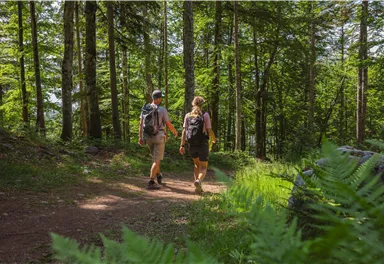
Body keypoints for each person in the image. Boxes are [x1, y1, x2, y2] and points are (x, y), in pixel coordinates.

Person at [139, 90, 178, 189]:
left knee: (155, 159)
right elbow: (168, 124)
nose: (161, 99)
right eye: (161, 98)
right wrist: (175, 132)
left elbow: (140, 124)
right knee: (156, 160)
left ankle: (159, 175)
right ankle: (151, 181)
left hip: (148, 137)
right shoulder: (162, 109)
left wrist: (140, 137)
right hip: (159, 136)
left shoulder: (145, 108)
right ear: (158, 98)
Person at [179, 96, 216, 193]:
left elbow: (184, 131)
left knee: (196, 164)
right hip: (202, 144)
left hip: (191, 144)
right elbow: (209, 130)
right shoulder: (205, 115)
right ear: (202, 104)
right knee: (203, 167)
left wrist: (182, 145)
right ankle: (198, 181)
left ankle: (197, 187)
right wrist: (214, 139)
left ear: (193, 104)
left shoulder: (188, 115)